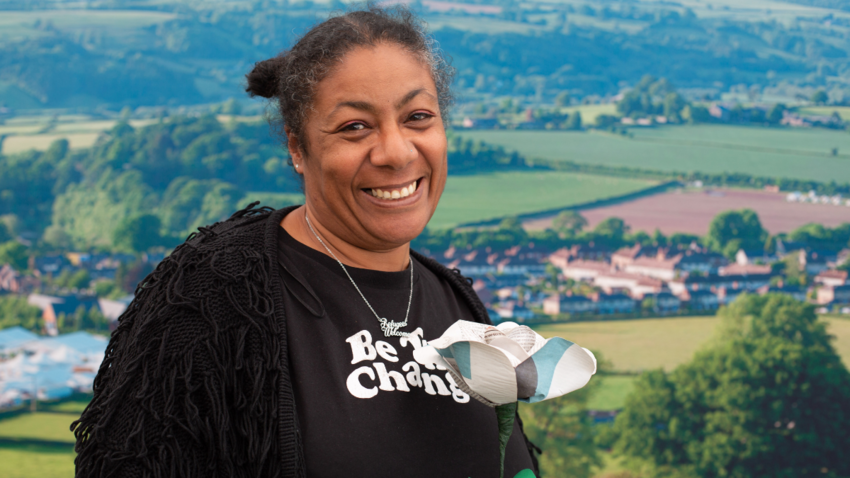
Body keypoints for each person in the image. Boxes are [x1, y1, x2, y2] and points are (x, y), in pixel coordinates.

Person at [72, 6, 538, 477]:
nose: (396, 152)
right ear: (299, 148)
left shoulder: (456, 302)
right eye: (355, 126)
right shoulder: (215, 291)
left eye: (418, 116)